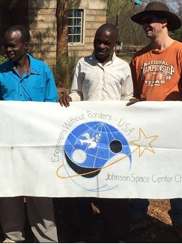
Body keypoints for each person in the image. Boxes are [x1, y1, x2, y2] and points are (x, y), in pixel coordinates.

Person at [127, 1, 182, 243]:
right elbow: (134, 95)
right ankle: (138, 217)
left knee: (175, 172)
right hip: (144, 128)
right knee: (140, 171)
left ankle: (180, 221)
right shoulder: (139, 57)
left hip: (174, 128)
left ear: (164, 22)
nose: (145, 25)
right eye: (143, 21)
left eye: (150, 20)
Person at [0, 25, 59, 243]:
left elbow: (51, 104)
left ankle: (46, 238)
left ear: (26, 45)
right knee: (9, 190)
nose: (8, 50)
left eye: (12, 46)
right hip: (9, 143)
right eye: (6, 46)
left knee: (40, 192)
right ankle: (13, 237)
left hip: (37, 143)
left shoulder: (43, 71)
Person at [58, 23, 133, 242]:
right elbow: (77, 92)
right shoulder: (83, 63)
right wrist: (69, 98)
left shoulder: (123, 67)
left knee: (113, 186)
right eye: (97, 41)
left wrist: (132, 102)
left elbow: (126, 96)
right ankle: (81, 232)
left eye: (106, 43)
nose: (100, 46)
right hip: (86, 135)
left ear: (114, 44)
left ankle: (115, 233)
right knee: (83, 183)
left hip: (112, 136)